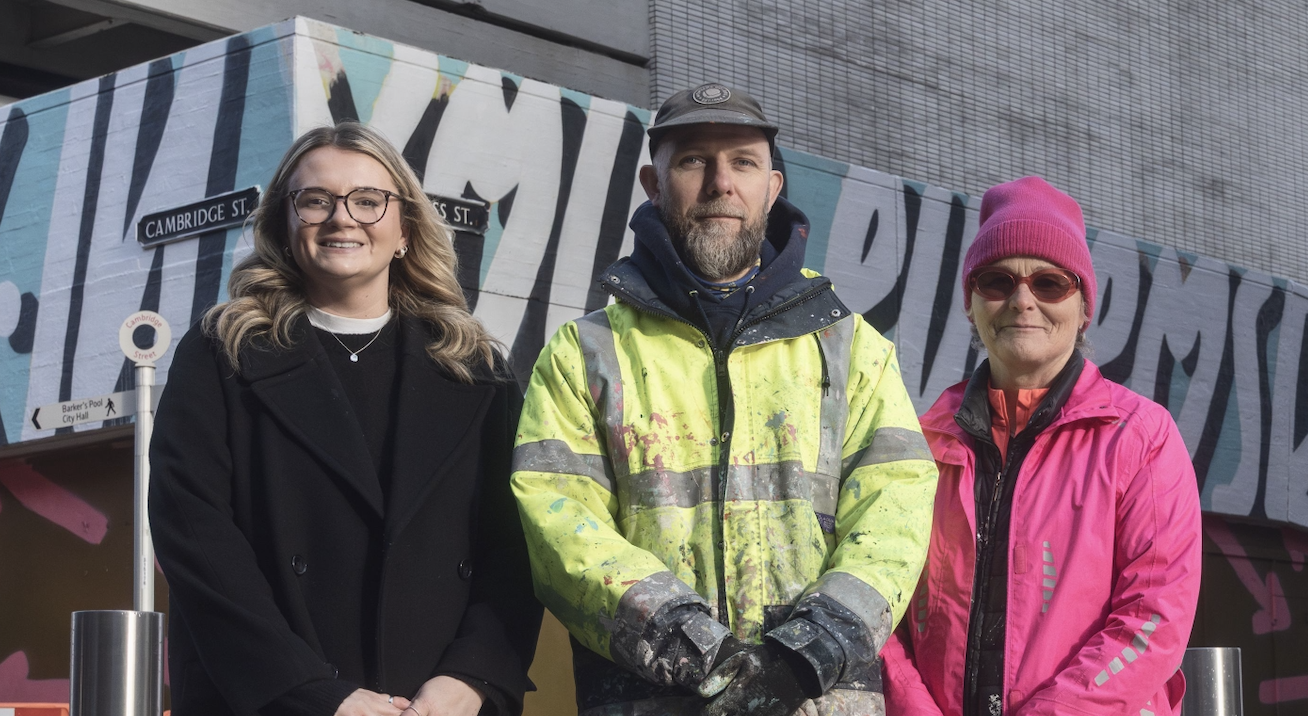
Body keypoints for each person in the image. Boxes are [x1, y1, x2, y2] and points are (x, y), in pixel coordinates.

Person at [511, 83, 939, 716]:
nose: (720, 183)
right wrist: (698, 651)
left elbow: (894, 512)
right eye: (692, 161)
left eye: (743, 161)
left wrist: (806, 656)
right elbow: (559, 527)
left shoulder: (852, 349)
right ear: (652, 184)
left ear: (773, 185)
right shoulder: (585, 353)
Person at [149, 122, 541, 716]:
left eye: (368, 200)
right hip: (274, 698)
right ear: (286, 222)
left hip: (435, 703)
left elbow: (515, 544)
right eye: (315, 200)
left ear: (404, 227)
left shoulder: (475, 367)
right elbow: (195, 538)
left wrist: (473, 675)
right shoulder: (222, 353)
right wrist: (312, 693)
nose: (342, 218)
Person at [880, 176, 1202, 716]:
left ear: (1083, 308)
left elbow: (1154, 615)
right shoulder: (917, 442)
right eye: (998, 281)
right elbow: (879, 602)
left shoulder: (1141, 437)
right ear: (971, 303)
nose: (1023, 300)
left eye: (1050, 283)